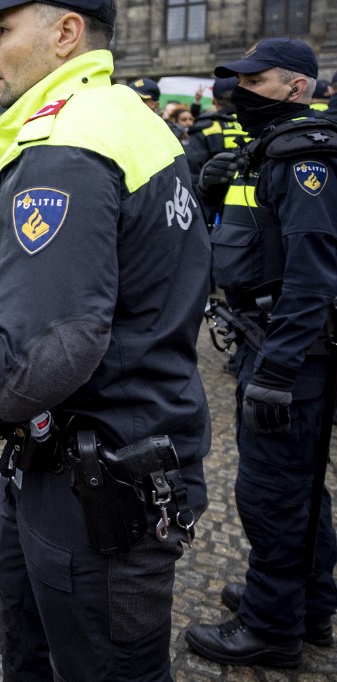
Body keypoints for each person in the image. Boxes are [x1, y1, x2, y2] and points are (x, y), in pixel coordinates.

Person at [0, 0, 211, 678]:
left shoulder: (68, 145)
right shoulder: (126, 115)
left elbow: (40, 351)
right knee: (25, 635)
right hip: (69, 453)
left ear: (65, 33)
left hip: (101, 474)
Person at [184, 39, 337, 669]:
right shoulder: (268, 150)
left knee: (272, 491)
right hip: (266, 338)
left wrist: (277, 368)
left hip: (289, 352)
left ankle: (272, 626)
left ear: (297, 87)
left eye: (258, 81)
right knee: (297, 488)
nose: (242, 92)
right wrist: (212, 192)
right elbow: (253, 245)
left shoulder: (307, 156)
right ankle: (308, 605)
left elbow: (313, 275)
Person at [185, 76, 249, 181]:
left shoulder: (205, 129)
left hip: (216, 196)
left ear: (214, 101)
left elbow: (192, 175)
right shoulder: (260, 125)